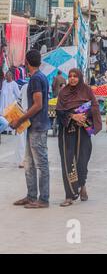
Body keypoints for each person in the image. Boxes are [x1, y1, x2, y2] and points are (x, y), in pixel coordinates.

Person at [56, 69, 102, 207]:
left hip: (83, 130)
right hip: (67, 131)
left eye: (75, 76)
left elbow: (94, 106)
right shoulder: (63, 92)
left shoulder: (87, 90)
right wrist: (72, 116)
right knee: (68, 161)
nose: (72, 79)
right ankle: (69, 195)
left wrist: (84, 116)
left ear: (80, 77)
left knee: (81, 161)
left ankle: (82, 185)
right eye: (70, 76)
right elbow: (59, 111)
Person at [11, 50, 50, 209]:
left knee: (40, 164)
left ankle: (43, 199)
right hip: (35, 126)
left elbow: (38, 104)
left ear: (26, 62)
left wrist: (20, 119)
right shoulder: (41, 77)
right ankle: (31, 195)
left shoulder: (35, 79)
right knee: (29, 163)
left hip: (37, 127)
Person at [16, 82, 29, 169]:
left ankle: (22, 161)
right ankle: (23, 161)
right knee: (24, 138)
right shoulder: (26, 86)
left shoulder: (24, 86)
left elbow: (18, 100)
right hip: (28, 115)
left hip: (24, 115)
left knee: (22, 138)